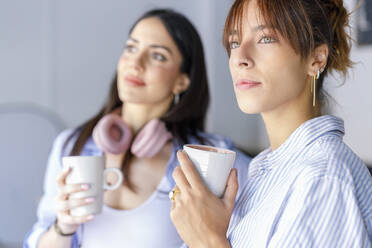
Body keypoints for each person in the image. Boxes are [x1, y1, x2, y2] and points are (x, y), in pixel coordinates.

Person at [24, 9, 251, 248]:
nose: (136, 62)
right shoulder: (71, 144)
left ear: (182, 81)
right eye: (131, 48)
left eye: (158, 56)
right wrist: (63, 227)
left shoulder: (209, 156)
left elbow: (268, 180)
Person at [170, 0, 372, 247]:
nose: (240, 58)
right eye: (234, 43)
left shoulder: (322, 177)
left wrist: (207, 239)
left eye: (265, 38)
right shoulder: (265, 169)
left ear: (316, 59)